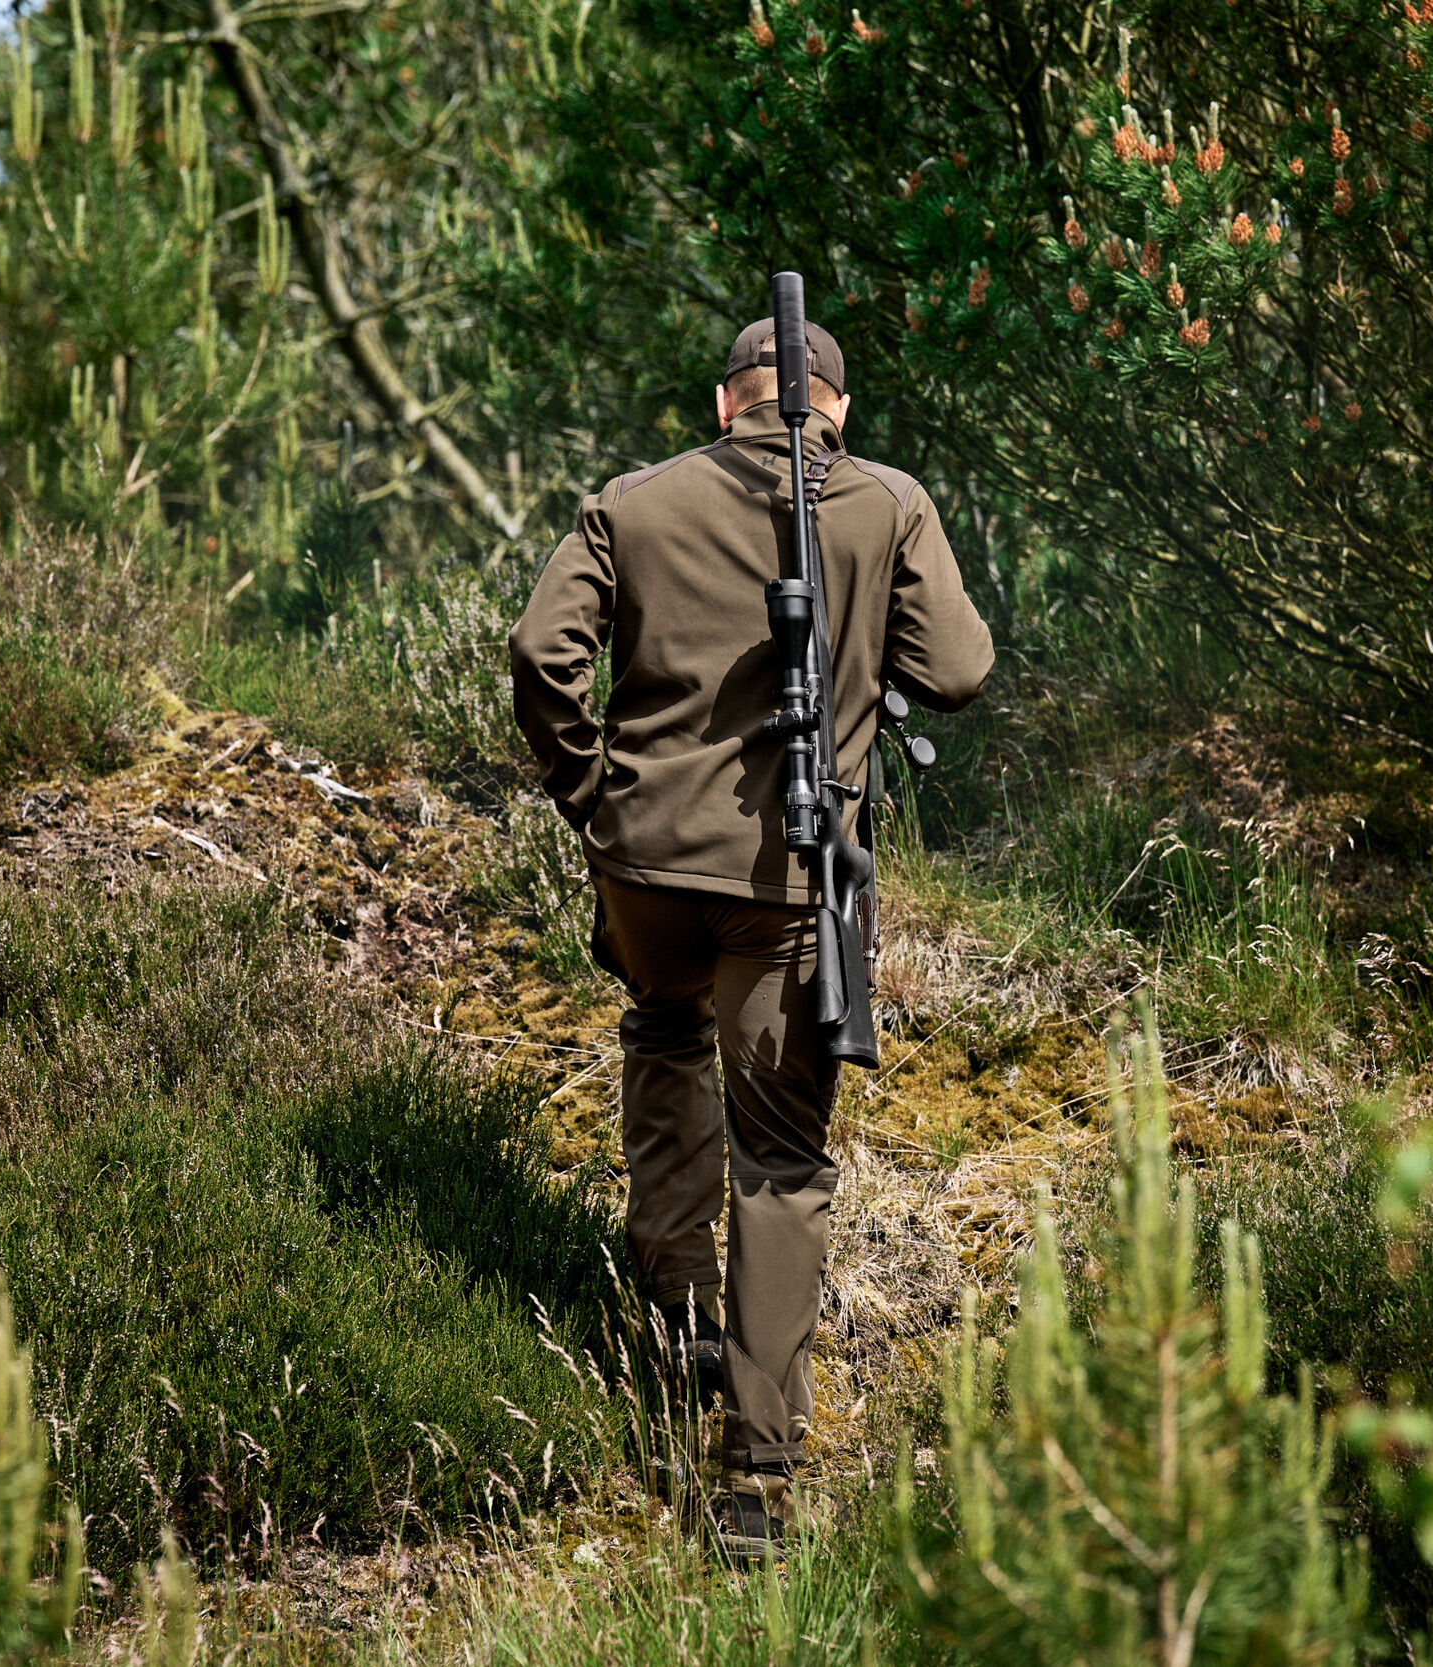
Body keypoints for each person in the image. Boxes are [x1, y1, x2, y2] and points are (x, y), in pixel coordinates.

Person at [508, 317, 994, 1561]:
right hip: (788, 875)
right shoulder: (887, 501)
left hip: (646, 866)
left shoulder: (633, 501)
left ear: (726, 401)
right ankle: (753, 1481)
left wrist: (596, 796)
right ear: (839, 405)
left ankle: (672, 1309)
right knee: (781, 1155)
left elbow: (538, 654)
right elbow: (958, 671)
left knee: (661, 1025)